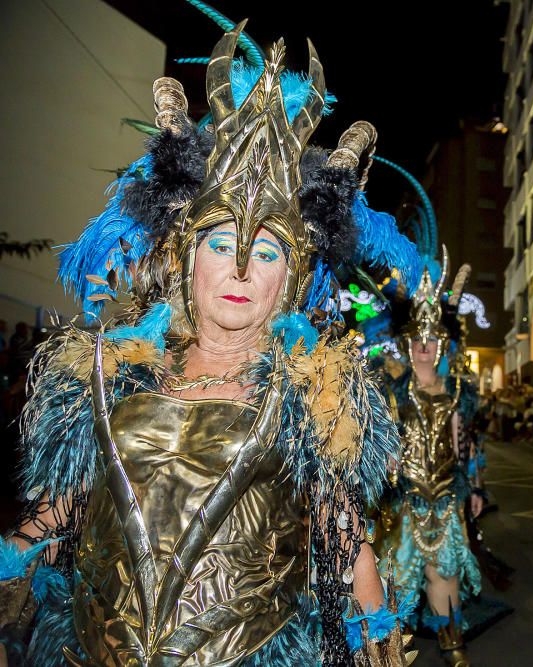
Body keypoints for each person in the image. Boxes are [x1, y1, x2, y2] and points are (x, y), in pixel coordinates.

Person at [0, 28, 411, 665]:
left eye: (267, 252)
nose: (242, 268)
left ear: (291, 278)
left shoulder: (314, 392)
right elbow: (69, 502)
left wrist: (375, 636)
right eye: (221, 245)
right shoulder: (118, 369)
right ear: (188, 259)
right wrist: (11, 558)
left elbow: (342, 534)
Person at [377, 249, 486, 665]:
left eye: (432, 340)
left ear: (442, 344)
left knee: (445, 574)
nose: (424, 347)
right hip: (403, 499)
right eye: (418, 341)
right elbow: (381, 439)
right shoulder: (390, 388)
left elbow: (466, 443)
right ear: (408, 343)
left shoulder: (458, 390)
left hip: (444, 496)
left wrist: (475, 487)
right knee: (399, 579)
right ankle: (390, 652)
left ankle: (452, 645)